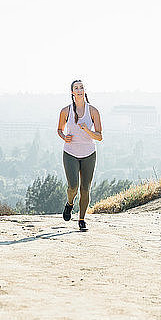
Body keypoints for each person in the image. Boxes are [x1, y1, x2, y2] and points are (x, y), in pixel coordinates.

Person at [57, 80, 103, 231]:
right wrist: (64, 137)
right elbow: (59, 129)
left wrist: (87, 131)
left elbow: (99, 136)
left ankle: (82, 219)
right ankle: (70, 203)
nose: (79, 90)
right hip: (70, 153)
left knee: (85, 188)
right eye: (76, 88)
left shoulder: (93, 111)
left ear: (84, 91)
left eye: (81, 87)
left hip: (89, 154)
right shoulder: (65, 111)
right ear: (72, 92)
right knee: (73, 186)